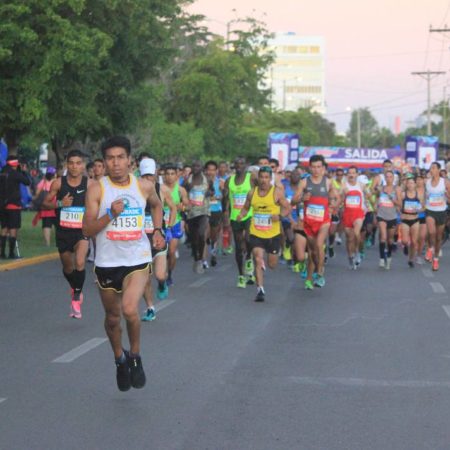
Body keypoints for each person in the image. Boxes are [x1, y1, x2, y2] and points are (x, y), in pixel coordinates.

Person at [82, 136, 164, 392]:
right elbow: (87, 228)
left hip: (137, 259)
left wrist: (158, 229)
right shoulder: (97, 188)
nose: (115, 163)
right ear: (104, 162)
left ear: (130, 160)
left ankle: (135, 356)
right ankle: (119, 358)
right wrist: (111, 214)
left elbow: (157, 205)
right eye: (110, 158)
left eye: (120, 158)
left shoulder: (144, 186)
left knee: (130, 309)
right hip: (106, 262)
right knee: (113, 318)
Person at [43, 150, 93, 318]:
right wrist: (60, 203)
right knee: (67, 267)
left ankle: (76, 298)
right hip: (63, 231)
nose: (74, 166)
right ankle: (75, 286)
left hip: (81, 231)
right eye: (71, 163)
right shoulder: (58, 183)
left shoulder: (90, 184)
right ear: (67, 165)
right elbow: (44, 203)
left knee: (80, 261)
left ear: (83, 165)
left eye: (78, 163)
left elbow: (98, 203)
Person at [236, 166, 291, 302]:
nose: (264, 180)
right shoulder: (251, 193)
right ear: (258, 178)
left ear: (270, 179)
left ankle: (273, 256)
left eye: (267, 177)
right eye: (262, 177)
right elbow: (246, 208)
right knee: (257, 257)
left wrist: (279, 216)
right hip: (256, 232)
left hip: (273, 234)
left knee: (272, 265)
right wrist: (240, 215)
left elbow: (287, 208)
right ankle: (260, 289)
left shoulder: (276, 193)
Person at [292, 155, 338, 290]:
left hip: (323, 221)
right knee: (312, 252)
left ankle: (320, 273)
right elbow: (293, 201)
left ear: (323, 168)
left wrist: (332, 204)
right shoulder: (304, 182)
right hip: (309, 222)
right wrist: (302, 198)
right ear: (310, 168)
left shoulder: (328, 182)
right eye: (314, 167)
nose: (316, 170)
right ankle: (310, 276)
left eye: (319, 167)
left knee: (319, 244)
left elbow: (336, 197)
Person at [139, 158, 177, 321]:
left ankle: (162, 284)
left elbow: (173, 207)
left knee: (160, 275)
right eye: (145, 175)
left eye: (151, 175)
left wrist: (168, 227)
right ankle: (150, 308)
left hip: (158, 239)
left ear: (155, 173)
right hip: (141, 242)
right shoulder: (136, 190)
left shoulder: (162, 189)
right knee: (145, 278)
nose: (148, 179)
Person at [223, 157, 255, 288]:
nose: (239, 166)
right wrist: (225, 214)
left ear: (246, 165)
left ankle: (249, 258)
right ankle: (241, 275)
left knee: (248, 239)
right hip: (235, 216)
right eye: (237, 164)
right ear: (234, 166)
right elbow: (225, 200)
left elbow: (261, 191)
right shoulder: (229, 181)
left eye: (242, 164)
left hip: (249, 214)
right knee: (238, 245)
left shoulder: (251, 178)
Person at [184, 160, 214, 274]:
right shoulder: (188, 180)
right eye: (194, 165)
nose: (196, 167)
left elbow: (212, 191)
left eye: (198, 166)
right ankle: (196, 257)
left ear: (202, 167)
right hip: (191, 212)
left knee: (202, 234)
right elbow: (182, 192)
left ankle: (201, 258)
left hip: (204, 211)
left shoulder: (207, 179)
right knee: (193, 238)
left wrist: (209, 193)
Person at [0, 156, 31, 258]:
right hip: (13, 205)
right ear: (15, 164)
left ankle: (2, 253)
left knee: (4, 228)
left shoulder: (2, 172)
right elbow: (28, 182)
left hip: (2, 205)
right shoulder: (15, 174)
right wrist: (23, 171)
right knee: (13, 228)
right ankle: (11, 253)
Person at [163, 163, 189, 286]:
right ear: (163, 175)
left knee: (172, 252)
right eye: (167, 174)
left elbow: (187, 205)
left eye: (172, 174)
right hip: (161, 224)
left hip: (175, 223)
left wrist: (182, 207)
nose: (169, 176)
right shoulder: (160, 189)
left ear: (176, 175)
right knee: (161, 253)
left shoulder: (180, 190)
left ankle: (170, 274)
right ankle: (161, 273)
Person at [373, 170, 402, 270]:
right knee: (383, 237)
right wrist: (376, 206)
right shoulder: (381, 189)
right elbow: (376, 198)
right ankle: (381, 258)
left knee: (390, 240)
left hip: (392, 216)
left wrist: (392, 199)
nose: (389, 179)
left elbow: (400, 204)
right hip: (381, 215)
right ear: (385, 178)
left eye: (390, 177)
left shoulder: (397, 189)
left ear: (393, 178)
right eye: (387, 177)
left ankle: (388, 257)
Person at [424, 162, 450, 271]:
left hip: (441, 211)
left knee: (439, 238)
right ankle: (430, 248)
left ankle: (435, 259)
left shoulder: (445, 182)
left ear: (439, 170)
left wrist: (446, 195)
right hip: (430, 210)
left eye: (434, 168)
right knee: (431, 232)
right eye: (431, 168)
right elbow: (423, 194)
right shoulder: (427, 182)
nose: (431, 170)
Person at [341, 166, 367, 269]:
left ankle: (357, 252)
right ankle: (350, 256)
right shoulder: (344, 186)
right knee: (349, 238)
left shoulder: (361, 185)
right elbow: (338, 197)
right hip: (347, 214)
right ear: (347, 175)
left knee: (356, 234)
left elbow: (369, 195)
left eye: (353, 173)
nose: (351, 175)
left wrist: (369, 205)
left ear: (357, 174)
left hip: (358, 213)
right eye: (349, 173)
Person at [400, 175, 424, 268]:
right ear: (406, 185)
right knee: (405, 241)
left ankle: (411, 259)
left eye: (412, 183)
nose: (410, 185)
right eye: (408, 183)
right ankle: (405, 246)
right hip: (405, 219)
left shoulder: (419, 194)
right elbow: (399, 205)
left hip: (415, 219)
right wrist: (400, 212)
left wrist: (418, 209)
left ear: (415, 184)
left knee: (414, 242)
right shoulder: (403, 194)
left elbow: (422, 207)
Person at [205, 160, 223, 267]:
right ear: (205, 171)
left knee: (213, 235)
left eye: (213, 170)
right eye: (209, 170)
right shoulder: (202, 182)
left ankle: (213, 252)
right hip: (205, 211)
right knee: (204, 233)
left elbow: (224, 195)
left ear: (216, 171)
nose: (210, 172)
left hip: (216, 210)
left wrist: (219, 196)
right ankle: (203, 259)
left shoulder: (220, 182)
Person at [33, 166, 57, 246]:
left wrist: (33, 200)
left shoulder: (42, 182)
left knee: (46, 225)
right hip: (55, 205)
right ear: (54, 174)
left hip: (45, 207)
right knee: (58, 225)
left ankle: (47, 243)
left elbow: (37, 193)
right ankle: (59, 241)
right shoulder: (56, 182)